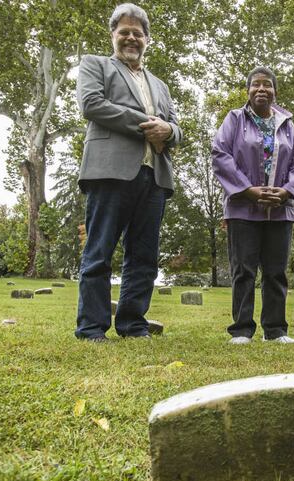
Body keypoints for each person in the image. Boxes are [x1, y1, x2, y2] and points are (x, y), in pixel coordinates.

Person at [74, 3, 182, 342]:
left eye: (138, 33)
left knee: (145, 257)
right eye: (125, 32)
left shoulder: (160, 85)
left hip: (155, 176)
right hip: (110, 172)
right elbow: (91, 104)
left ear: (147, 39)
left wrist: (168, 130)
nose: (131, 38)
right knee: (99, 252)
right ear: (113, 35)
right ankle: (91, 328)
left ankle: (133, 324)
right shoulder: (96, 65)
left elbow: (176, 128)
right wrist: (146, 126)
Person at [211, 66, 294, 345]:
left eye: (267, 85)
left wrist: (287, 192)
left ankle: (276, 331)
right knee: (244, 270)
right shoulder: (234, 120)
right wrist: (248, 190)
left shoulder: (286, 124)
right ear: (248, 91)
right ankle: (241, 330)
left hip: (280, 210)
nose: (261, 89)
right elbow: (220, 154)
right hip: (243, 208)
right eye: (256, 85)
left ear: (275, 92)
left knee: (276, 271)